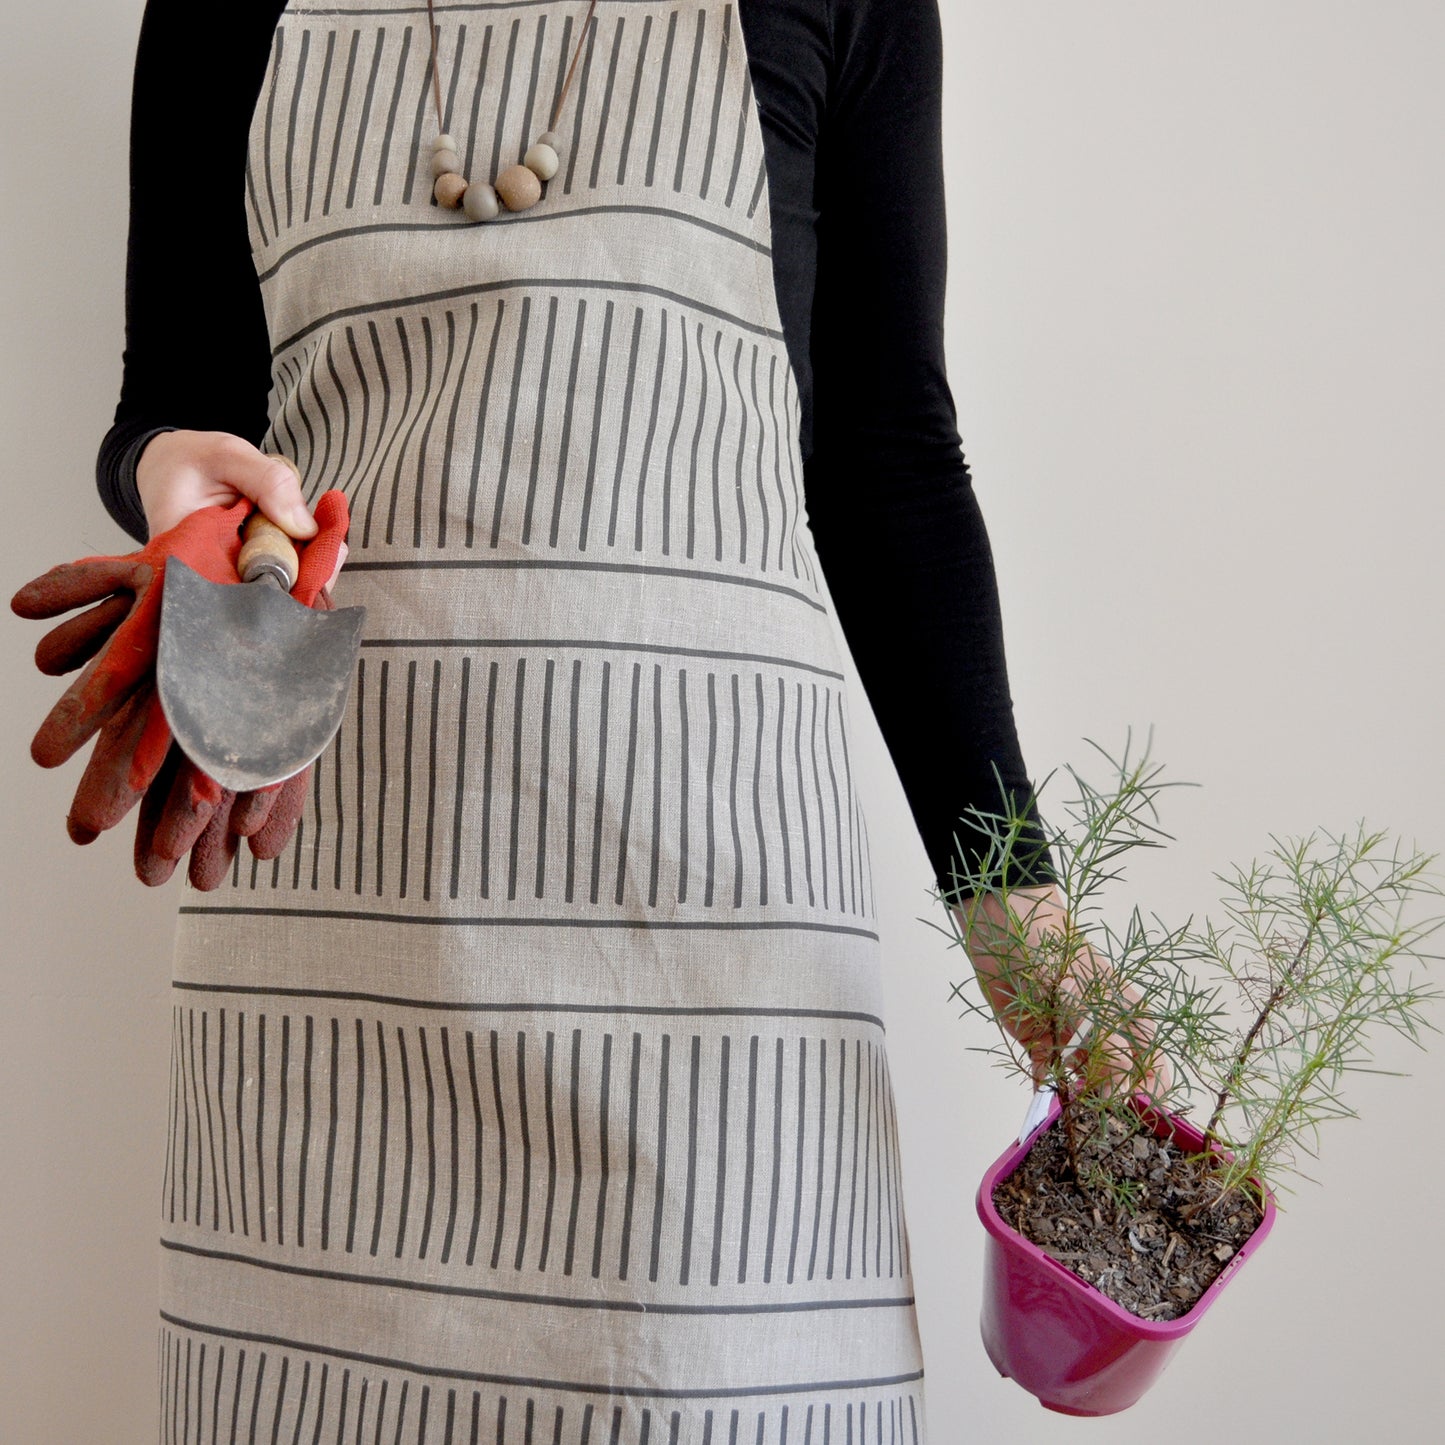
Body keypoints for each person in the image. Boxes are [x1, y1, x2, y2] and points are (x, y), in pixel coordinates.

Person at [74, 0, 1144, 1438]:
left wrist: (1025, 932)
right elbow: (172, 402)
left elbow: (885, 456)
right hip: (332, 931)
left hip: (708, 949)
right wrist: (169, 483)